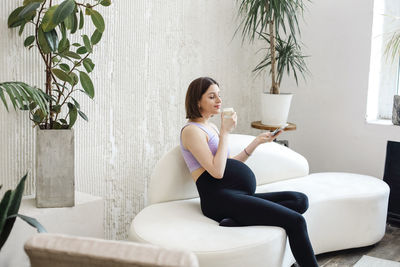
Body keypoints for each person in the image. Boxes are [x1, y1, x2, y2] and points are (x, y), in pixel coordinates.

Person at [180, 77, 319, 267]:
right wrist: (225, 132)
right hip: (218, 200)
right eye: (212, 97)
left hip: (236, 194)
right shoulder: (191, 131)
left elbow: (227, 164)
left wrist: (257, 142)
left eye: (219, 95)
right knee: (296, 221)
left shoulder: (210, 127)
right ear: (197, 101)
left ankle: (235, 220)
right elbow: (217, 172)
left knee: (300, 200)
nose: (219, 101)